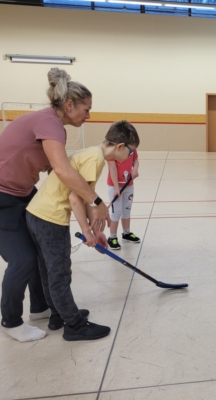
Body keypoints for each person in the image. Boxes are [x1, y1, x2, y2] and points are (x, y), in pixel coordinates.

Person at [0, 68, 110, 342]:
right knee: (23, 259)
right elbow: (62, 170)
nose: (88, 115)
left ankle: (41, 308)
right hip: (2, 196)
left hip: (23, 194)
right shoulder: (49, 123)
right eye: (86, 109)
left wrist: (87, 226)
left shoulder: (50, 124)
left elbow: (57, 177)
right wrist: (95, 201)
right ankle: (11, 322)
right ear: (69, 105)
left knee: (39, 256)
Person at [25, 121, 140, 341]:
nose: (132, 155)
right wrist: (87, 232)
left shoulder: (92, 154)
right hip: (51, 218)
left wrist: (95, 231)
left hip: (37, 214)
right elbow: (75, 198)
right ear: (120, 146)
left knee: (49, 271)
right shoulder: (95, 160)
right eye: (131, 150)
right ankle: (74, 326)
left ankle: (59, 315)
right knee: (59, 273)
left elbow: (86, 196)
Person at [106, 148, 140, 250]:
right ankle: (112, 237)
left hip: (128, 184)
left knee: (126, 210)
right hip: (115, 186)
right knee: (116, 212)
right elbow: (112, 169)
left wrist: (135, 169)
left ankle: (126, 233)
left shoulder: (132, 148)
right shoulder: (111, 151)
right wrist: (116, 187)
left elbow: (136, 160)